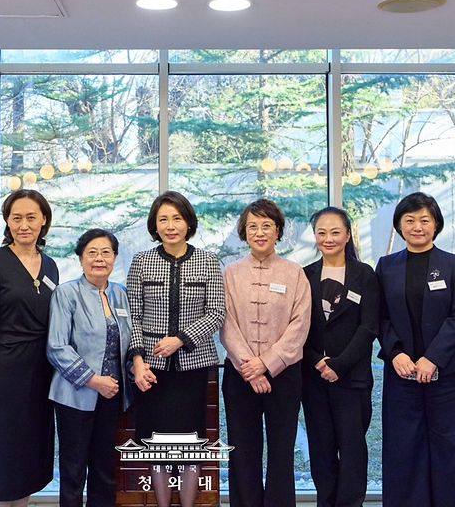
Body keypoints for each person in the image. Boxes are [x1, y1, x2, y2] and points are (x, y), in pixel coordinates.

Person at [375, 191, 455, 507]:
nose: (417, 226)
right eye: (409, 220)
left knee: (452, 447)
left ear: (436, 224)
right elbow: (379, 316)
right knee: (404, 447)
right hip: (402, 374)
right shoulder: (386, 265)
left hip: (446, 376)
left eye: (424, 220)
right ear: (399, 226)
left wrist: (432, 358)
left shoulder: (454, 265)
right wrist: (397, 353)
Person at [128, 190, 226, 507]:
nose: (171, 225)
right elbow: (133, 315)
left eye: (177, 218)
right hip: (151, 372)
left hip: (192, 369)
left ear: (188, 222)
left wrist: (181, 338)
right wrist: (138, 362)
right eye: (163, 219)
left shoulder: (208, 261)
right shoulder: (142, 261)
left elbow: (217, 313)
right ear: (154, 226)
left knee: (190, 447)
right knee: (156, 447)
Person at [0, 189, 60, 507]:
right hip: (5, 371)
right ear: (8, 221)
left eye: (31, 217)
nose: (24, 224)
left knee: (29, 448)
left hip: (41, 372)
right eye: (16, 217)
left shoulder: (50, 266)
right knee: (2, 451)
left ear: (43, 220)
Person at [220, 198, 311, 507]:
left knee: (282, 450)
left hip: (284, 376)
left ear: (278, 231)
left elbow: (300, 325)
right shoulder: (230, 273)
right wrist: (250, 366)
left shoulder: (295, 273)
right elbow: (226, 322)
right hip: (240, 375)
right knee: (242, 450)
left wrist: (268, 364)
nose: (260, 232)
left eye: (267, 226)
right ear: (244, 232)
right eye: (252, 226)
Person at [47, 229, 133, 507]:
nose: (99, 258)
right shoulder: (66, 293)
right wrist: (93, 380)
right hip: (75, 394)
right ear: (81, 258)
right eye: (92, 252)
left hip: (112, 396)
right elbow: (56, 347)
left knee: (104, 468)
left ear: (114, 257)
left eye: (106, 252)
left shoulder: (121, 294)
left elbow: (130, 339)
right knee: (73, 470)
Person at [301, 206, 379, 507]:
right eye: (322, 232)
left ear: (347, 235)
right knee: (321, 449)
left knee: (353, 451)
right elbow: (297, 327)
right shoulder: (305, 275)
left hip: (352, 379)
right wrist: (316, 362)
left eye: (335, 232)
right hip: (314, 379)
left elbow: (369, 326)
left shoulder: (365, 275)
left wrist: (340, 364)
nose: (328, 238)